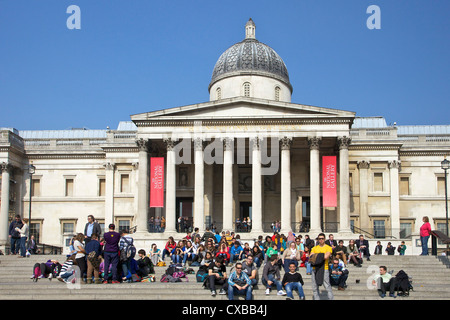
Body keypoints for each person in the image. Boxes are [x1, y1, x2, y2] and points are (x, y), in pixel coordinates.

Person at [310, 233, 333, 300]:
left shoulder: (328, 247)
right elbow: (311, 257)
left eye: (322, 238)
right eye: (319, 239)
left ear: (325, 239)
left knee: (327, 286)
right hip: (315, 268)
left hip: (324, 268)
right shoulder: (314, 248)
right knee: (314, 287)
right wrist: (321, 255)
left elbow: (326, 257)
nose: (321, 240)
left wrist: (316, 256)